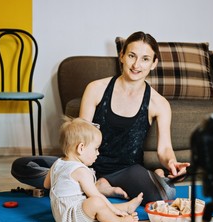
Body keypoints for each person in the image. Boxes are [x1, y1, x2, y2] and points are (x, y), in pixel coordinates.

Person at [79, 31, 190, 205]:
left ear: (154, 64)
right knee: (25, 166)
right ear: (121, 56)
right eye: (132, 56)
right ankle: (98, 185)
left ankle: (95, 188)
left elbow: (164, 149)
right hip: (88, 168)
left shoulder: (159, 103)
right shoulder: (95, 89)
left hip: (128, 171)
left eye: (145, 59)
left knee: (165, 195)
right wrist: (76, 170)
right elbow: (80, 138)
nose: (136, 65)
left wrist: (171, 163)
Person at [43, 117, 143, 222]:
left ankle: (126, 207)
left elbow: (46, 185)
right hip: (73, 220)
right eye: (95, 149)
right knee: (96, 201)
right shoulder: (80, 171)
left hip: (60, 216)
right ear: (81, 148)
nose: (98, 153)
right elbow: (97, 196)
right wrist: (116, 213)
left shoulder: (58, 163)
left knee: (94, 202)